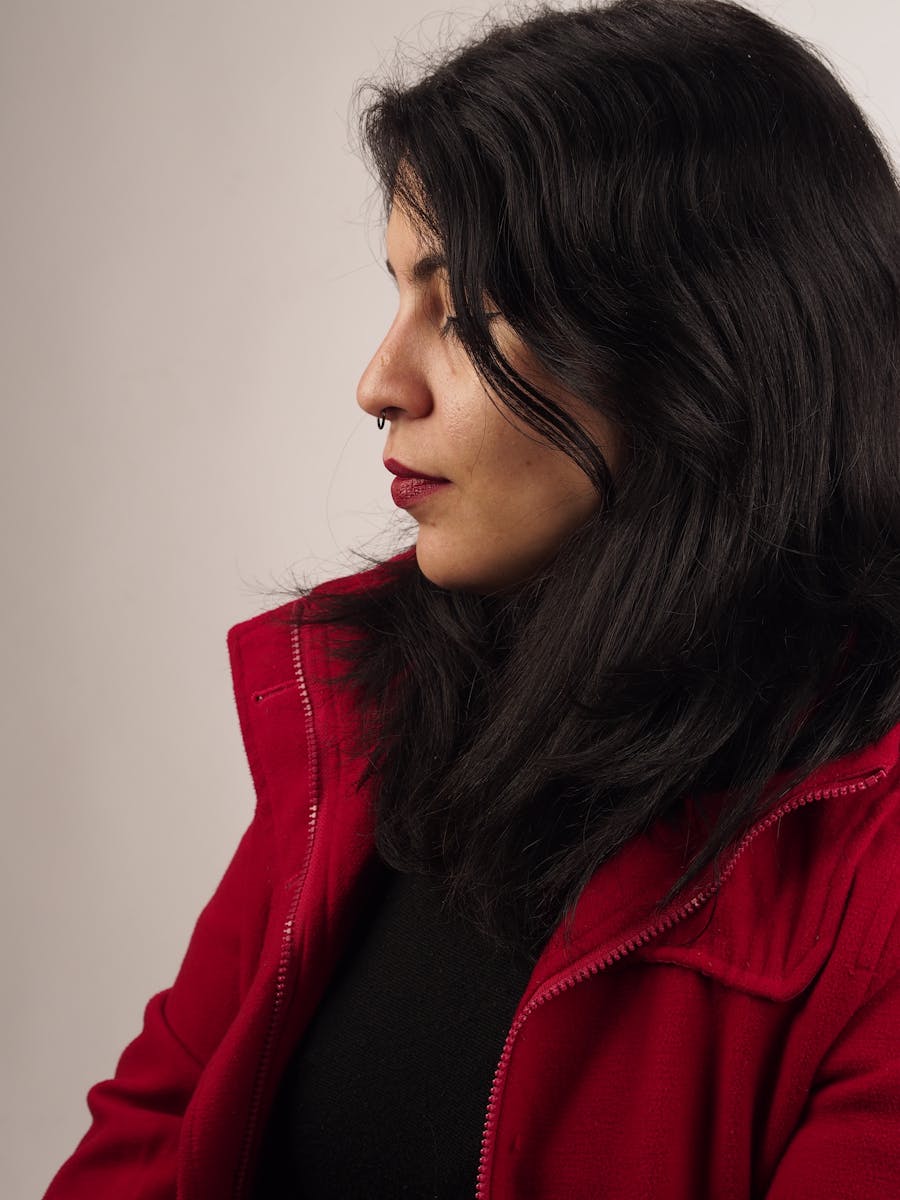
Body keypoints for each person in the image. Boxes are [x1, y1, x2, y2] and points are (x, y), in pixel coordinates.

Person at [43, 0, 900, 1196]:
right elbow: (140, 1150)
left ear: (704, 339)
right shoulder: (362, 727)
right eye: (397, 294)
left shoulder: (870, 863)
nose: (377, 382)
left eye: (463, 308)